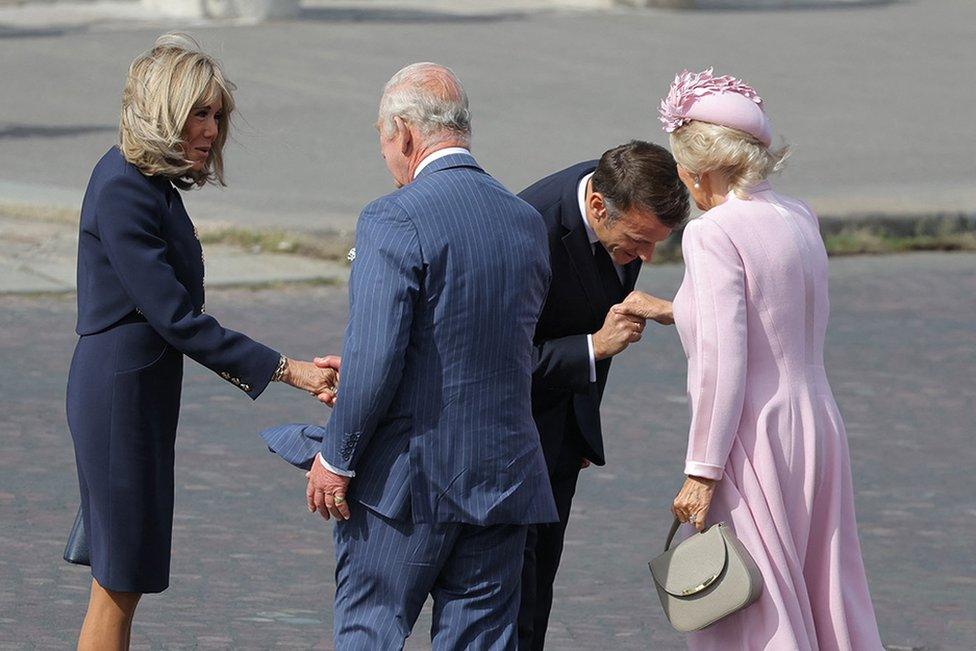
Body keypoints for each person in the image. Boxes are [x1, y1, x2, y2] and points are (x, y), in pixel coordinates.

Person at [260, 62, 557, 649]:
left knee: (372, 629)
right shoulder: (525, 221)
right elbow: (495, 340)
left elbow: (373, 357)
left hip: (410, 481)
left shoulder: (393, 217)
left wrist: (338, 459)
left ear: (402, 132)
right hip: (502, 476)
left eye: (381, 139)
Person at [66, 34, 335, 651]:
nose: (212, 131)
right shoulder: (124, 188)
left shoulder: (144, 183)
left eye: (217, 115)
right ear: (163, 111)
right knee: (118, 578)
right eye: (198, 113)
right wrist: (287, 370)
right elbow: (177, 319)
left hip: (137, 393)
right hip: (118, 397)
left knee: (120, 577)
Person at [621, 68, 884, 650]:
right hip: (815, 422)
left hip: (752, 433)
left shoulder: (712, 233)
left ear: (700, 168)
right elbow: (774, 316)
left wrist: (702, 469)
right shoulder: (798, 215)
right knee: (824, 587)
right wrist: (674, 309)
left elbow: (724, 362)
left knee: (754, 601)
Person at [515, 140, 688, 650]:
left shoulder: (622, 197)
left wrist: (582, 428)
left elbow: (605, 311)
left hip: (562, 431)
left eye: (657, 243)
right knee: (511, 590)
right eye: (637, 241)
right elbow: (496, 362)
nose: (645, 257)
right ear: (597, 208)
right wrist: (592, 349)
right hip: (511, 436)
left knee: (538, 583)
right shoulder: (530, 231)